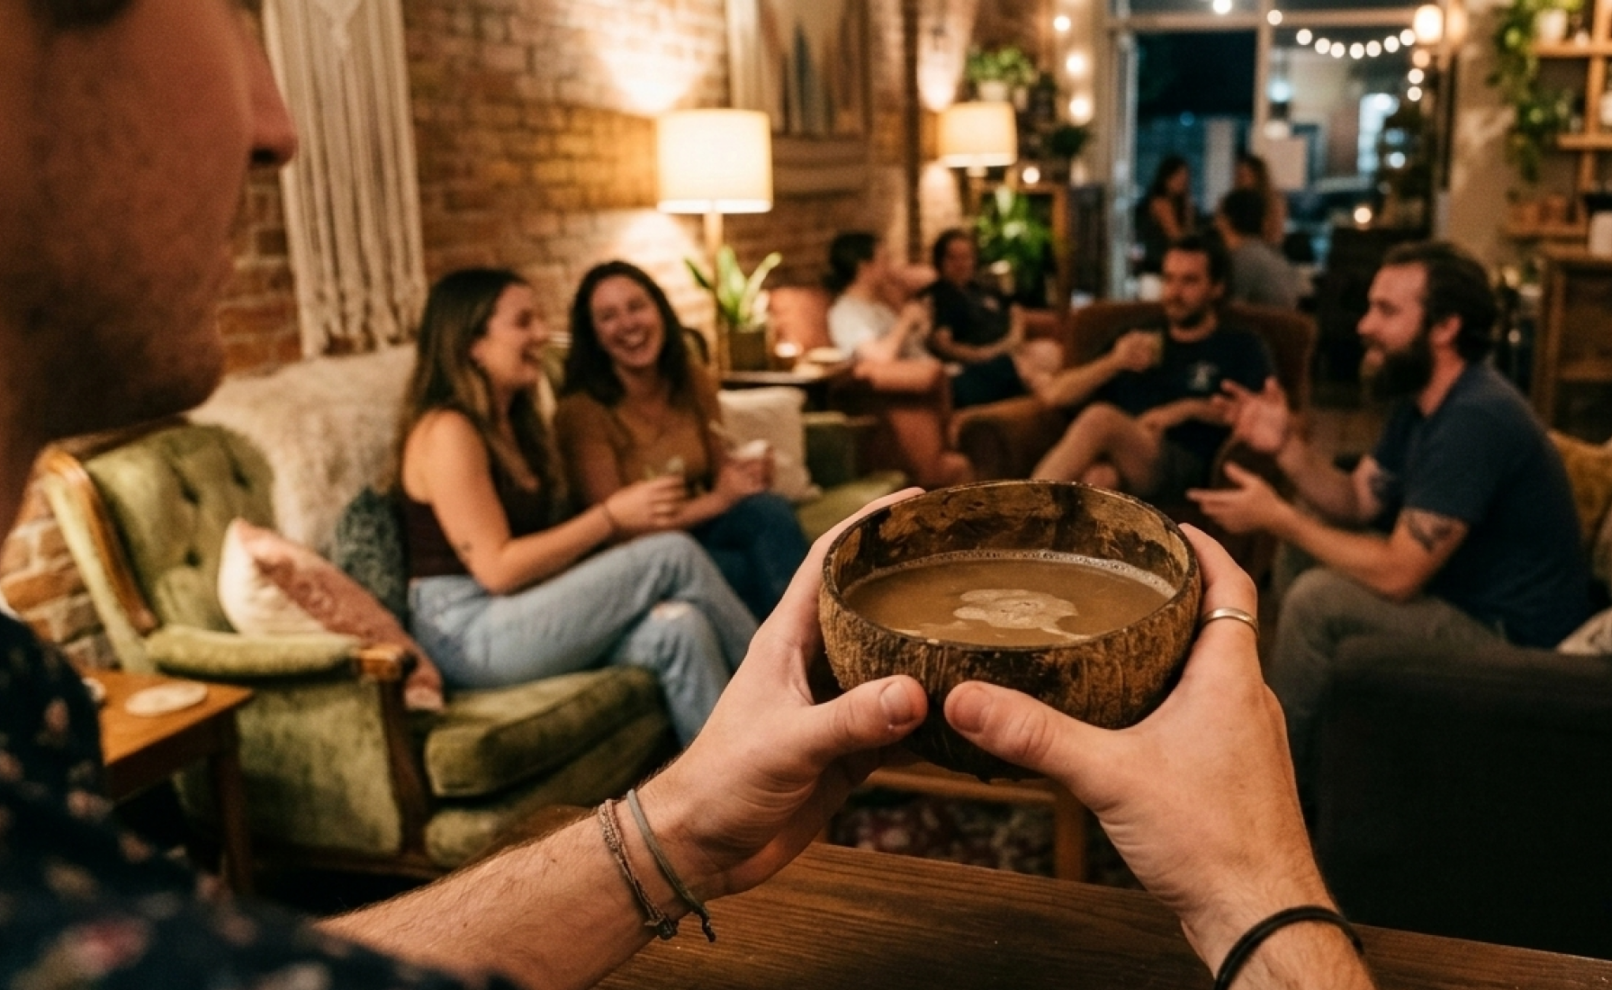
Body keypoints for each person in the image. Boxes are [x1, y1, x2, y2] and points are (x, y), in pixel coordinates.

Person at [0, 3, 1374, 988]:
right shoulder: (462, 431)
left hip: (662, 734)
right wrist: (1270, 906)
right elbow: (504, 560)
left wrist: (674, 828)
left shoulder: (28, 721)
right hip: (484, 612)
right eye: (229, 12)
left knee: (713, 569)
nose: (278, 122)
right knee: (680, 571)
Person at [1189, 240, 1591, 799]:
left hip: (1511, 638)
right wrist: (1286, 449)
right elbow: (1356, 500)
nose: (1363, 326)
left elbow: (1399, 574)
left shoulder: (1475, 418)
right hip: (1459, 595)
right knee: (1305, 551)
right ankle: (1312, 736)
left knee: (1317, 599)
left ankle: (1272, 791)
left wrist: (1278, 516)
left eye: (1386, 311)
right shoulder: (1422, 402)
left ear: (1445, 326)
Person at [398, 267, 758, 744]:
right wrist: (611, 517)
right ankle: (787, 692)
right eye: (523, 323)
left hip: (521, 607)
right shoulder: (448, 432)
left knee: (682, 630)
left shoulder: (515, 424)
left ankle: (731, 804)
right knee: (669, 553)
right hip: (468, 631)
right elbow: (498, 569)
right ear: (473, 344)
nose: (541, 334)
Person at [557, 260, 808, 620]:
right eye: (608, 316)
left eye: (636, 306)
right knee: (736, 568)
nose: (628, 324)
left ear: (659, 310)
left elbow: (721, 472)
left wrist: (746, 476)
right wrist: (719, 500)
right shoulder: (581, 412)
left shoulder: (691, 378)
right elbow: (616, 532)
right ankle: (789, 661)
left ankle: (815, 650)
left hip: (702, 526)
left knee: (767, 510)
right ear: (593, 335)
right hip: (642, 550)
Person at [1031, 235, 1275, 503]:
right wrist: (1114, 361)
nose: (1174, 292)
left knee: (1100, 418)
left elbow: (1262, 411)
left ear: (1216, 287)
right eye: (1168, 279)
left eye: (1189, 281)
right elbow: (1054, 395)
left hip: (1184, 461)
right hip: (1123, 455)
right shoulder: (1137, 337)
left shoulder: (1238, 344)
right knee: (1099, 478)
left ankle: (1020, 511)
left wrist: (1187, 409)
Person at [824, 231, 974, 488]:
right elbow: (880, 357)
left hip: (941, 377)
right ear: (864, 267)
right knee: (1005, 369)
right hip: (923, 386)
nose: (890, 267)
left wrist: (920, 322)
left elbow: (914, 346)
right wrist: (905, 321)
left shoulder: (879, 305)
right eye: (884, 259)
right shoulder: (845, 312)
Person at [923, 227, 1063, 410]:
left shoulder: (980, 288)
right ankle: (1054, 409)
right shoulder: (941, 296)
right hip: (987, 361)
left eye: (967, 257)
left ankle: (1051, 407)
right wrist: (986, 354)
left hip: (1011, 348)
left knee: (1052, 352)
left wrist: (1015, 337)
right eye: (953, 258)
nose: (962, 264)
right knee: (1034, 368)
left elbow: (1015, 309)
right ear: (940, 262)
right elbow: (942, 344)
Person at [1217, 188, 1306, 310]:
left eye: (1218, 214)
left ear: (1226, 220)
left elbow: (1230, 310)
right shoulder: (1269, 254)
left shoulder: (1242, 259)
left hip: (1259, 328)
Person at [1133, 155, 1199, 278]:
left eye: (1185, 178)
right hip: (1156, 264)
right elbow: (1177, 238)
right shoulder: (1160, 203)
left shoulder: (1180, 204)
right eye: (1179, 177)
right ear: (1167, 178)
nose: (1183, 182)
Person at [1233, 152, 1289, 250]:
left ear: (1258, 176)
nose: (1238, 181)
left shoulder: (1273, 201)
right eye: (1237, 176)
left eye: (1243, 176)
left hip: (1266, 250)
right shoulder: (1235, 202)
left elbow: (1275, 236)